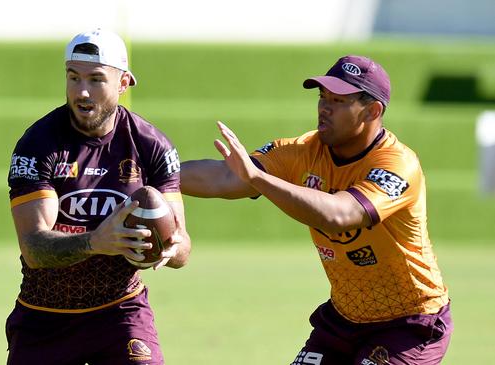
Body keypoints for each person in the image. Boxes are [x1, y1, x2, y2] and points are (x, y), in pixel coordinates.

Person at [181, 55, 452, 365]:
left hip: (410, 323)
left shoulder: (397, 163)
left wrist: (258, 178)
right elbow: (226, 177)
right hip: (344, 318)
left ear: (373, 110)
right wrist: (150, 174)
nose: (324, 107)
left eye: (338, 100)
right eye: (322, 97)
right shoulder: (303, 150)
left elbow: (339, 216)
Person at [5, 29, 191, 365]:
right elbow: (33, 249)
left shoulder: (152, 147)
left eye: (96, 79)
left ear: (123, 84)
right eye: (73, 77)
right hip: (44, 316)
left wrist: (171, 246)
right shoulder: (38, 145)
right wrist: (95, 242)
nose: (82, 91)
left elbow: (182, 246)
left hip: (120, 312)